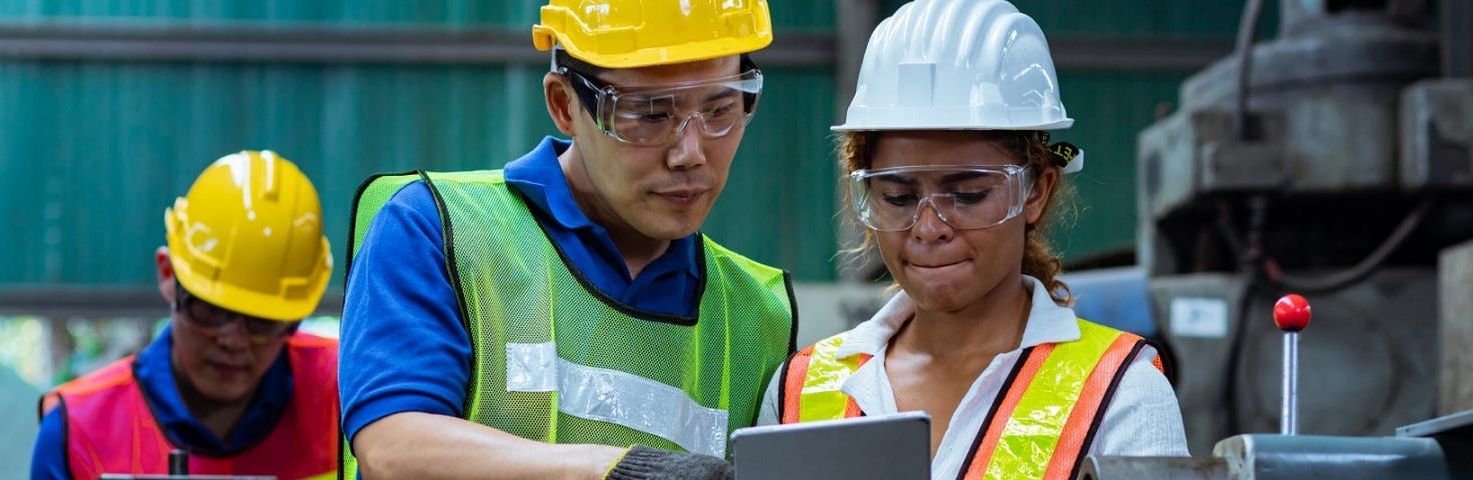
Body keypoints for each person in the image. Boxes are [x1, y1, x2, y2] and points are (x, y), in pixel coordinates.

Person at [338, 1, 796, 478]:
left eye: (721, 110)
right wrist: (616, 470)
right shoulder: (441, 230)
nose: (690, 153)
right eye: (648, 114)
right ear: (564, 105)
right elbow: (394, 450)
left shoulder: (756, 316)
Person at [755, 0, 1188, 478]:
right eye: (898, 197)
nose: (929, 226)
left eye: (967, 194)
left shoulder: (1120, 391)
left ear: (1035, 192)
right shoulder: (802, 389)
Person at [30, 151, 339, 480]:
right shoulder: (80, 431)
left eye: (262, 320)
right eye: (210, 310)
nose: (233, 341)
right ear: (167, 274)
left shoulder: (348, 392)